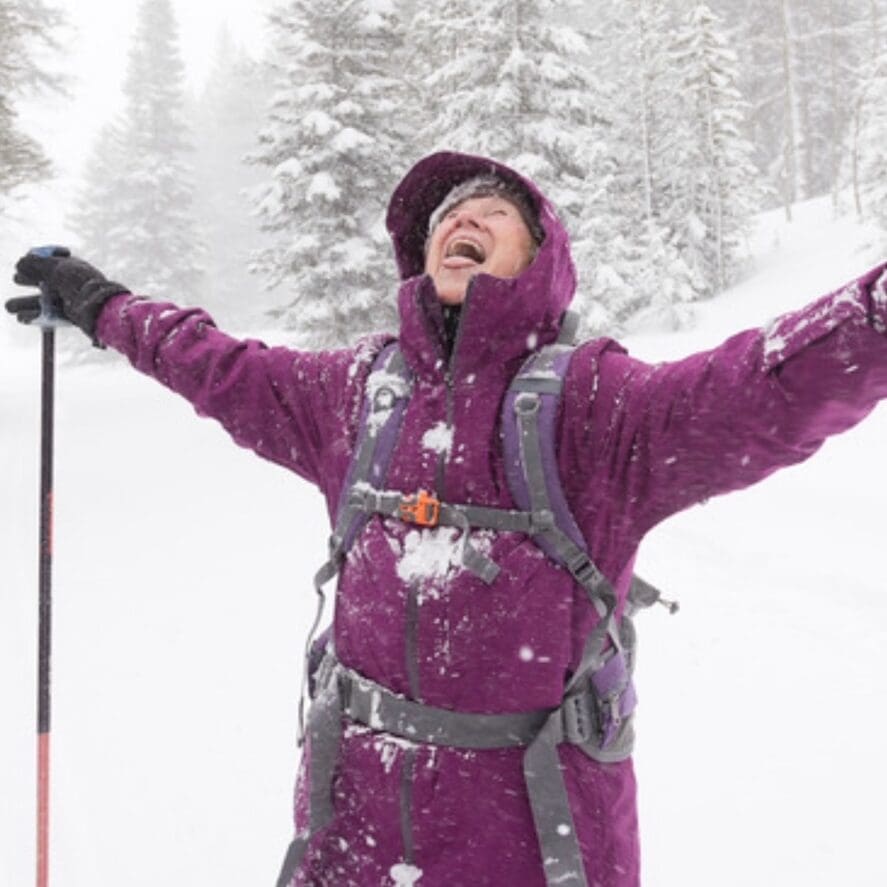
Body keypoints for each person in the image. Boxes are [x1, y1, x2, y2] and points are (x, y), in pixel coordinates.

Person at [9, 151, 887, 887]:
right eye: (446, 214)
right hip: (349, 821)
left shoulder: (599, 408)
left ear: (540, 256)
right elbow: (214, 364)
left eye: (492, 209)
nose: (463, 216)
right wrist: (100, 304)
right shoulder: (355, 394)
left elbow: (773, 380)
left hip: (534, 843)